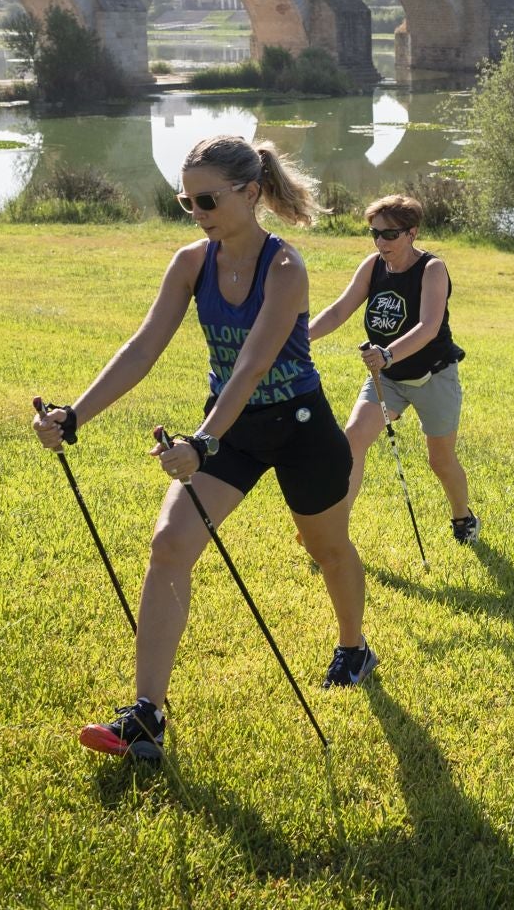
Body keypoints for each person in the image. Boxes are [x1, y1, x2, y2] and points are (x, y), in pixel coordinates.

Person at [31, 135, 372, 763]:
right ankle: (147, 717)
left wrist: (202, 440)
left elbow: (250, 366)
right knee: (170, 543)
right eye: (186, 202)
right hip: (231, 430)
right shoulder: (191, 262)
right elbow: (143, 347)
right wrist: (74, 413)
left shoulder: (287, 268)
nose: (197, 212)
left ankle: (353, 646)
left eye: (207, 199)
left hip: (299, 426)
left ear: (249, 193)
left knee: (326, 547)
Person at [310, 193, 476, 543]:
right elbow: (340, 310)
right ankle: (335, 528)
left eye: (389, 234)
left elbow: (429, 326)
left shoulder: (432, 269)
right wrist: (300, 337)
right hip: (388, 379)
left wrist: (387, 354)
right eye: (374, 233)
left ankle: (463, 518)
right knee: (352, 439)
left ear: (412, 233)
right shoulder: (372, 266)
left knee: (440, 461)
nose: (380, 241)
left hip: (433, 375)